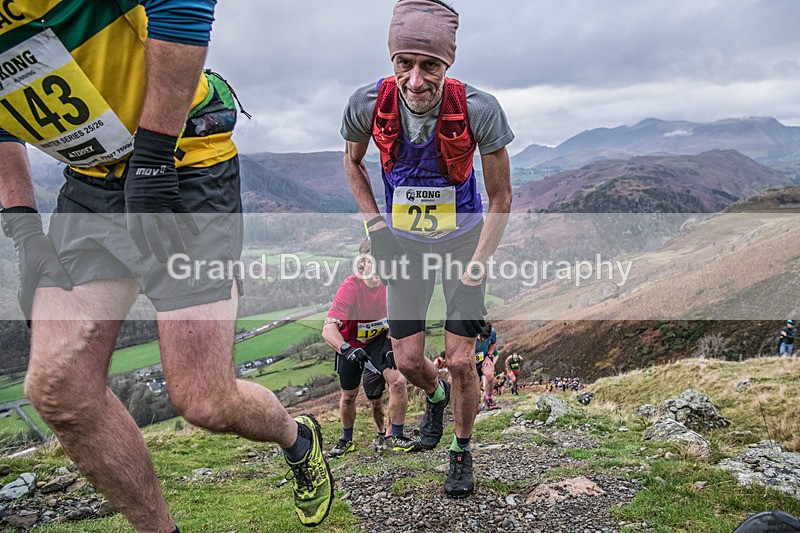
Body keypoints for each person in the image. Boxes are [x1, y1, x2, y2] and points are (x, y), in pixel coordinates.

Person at [0, 2, 333, 530]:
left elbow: (184, 3)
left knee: (205, 401)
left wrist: (153, 152)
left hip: (184, 164)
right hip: (89, 183)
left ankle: (297, 438)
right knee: (58, 388)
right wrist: (21, 226)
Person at [341, 0, 513, 498]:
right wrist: (379, 230)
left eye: (430, 65)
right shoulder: (367, 103)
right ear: (392, 61)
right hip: (405, 248)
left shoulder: (479, 108)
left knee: (461, 360)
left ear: (448, 64)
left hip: (463, 245)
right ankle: (434, 397)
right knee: (410, 360)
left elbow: (501, 197)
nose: (416, 80)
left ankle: (461, 450)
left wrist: (479, 267)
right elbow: (352, 164)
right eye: (404, 63)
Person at [322, 240, 420, 456]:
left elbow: (401, 316)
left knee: (399, 381)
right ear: (362, 265)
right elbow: (328, 330)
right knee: (349, 395)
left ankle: (397, 435)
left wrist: (391, 342)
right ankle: (346, 439)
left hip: (377, 342)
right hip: (350, 345)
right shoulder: (350, 287)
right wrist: (346, 349)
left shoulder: (390, 284)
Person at [475, 323, 500, 410]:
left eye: (485, 338)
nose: (482, 340)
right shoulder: (470, 332)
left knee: (490, 376)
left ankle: (488, 399)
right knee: (474, 384)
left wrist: (489, 356)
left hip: (483, 359)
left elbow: (493, 343)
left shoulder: (492, 331)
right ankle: (474, 403)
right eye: (480, 337)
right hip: (470, 360)